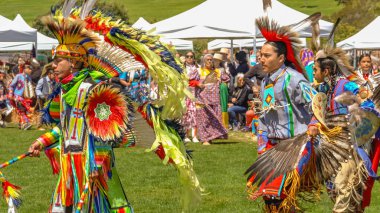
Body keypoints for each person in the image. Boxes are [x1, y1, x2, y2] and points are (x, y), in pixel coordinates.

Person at [26, 2, 201, 212]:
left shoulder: (95, 90)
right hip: (69, 169)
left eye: (58, 60)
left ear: (74, 62)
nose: (52, 65)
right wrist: (41, 141)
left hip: (94, 169)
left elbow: (105, 133)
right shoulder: (63, 91)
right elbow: (66, 129)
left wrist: (97, 164)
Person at [245, 16, 317, 212]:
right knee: (270, 199)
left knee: (280, 196)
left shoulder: (294, 79)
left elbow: (317, 103)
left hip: (296, 144)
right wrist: (262, 145)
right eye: (261, 55)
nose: (261, 59)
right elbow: (265, 116)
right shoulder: (266, 80)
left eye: (267, 55)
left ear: (281, 58)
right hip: (273, 146)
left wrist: (314, 124)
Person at [308, 47, 380, 212]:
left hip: (350, 144)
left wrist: (356, 121)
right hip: (332, 144)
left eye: (315, 69)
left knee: (343, 184)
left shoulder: (346, 85)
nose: (313, 72)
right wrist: (314, 123)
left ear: (326, 71)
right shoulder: (327, 89)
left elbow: (367, 103)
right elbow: (320, 112)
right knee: (333, 186)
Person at [196, 54, 228, 145]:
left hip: (214, 100)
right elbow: (189, 80)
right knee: (203, 119)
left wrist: (221, 84)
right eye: (207, 59)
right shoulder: (199, 71)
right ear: (203, 61)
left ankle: (210, 137)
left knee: (213, 118)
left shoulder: (218, 71)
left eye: (211, 60)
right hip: (202, 99)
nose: (209, 61)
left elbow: (226, 79)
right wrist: (198, 84)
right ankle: (205, 139)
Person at [8, 64, 35, 130]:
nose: (30, 70)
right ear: (24, 69)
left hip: (26, 98)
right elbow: (11, 85)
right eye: (29, 69)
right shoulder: (18, 76)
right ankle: (25, 123)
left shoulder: (28, 78)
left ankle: (21, 124)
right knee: (21, 110)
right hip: (18, 96)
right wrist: (11, 95)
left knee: (25, 110)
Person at [182, 51, 200, 143]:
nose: (189, 58)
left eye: (191, 56)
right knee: (186, 114)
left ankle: (194, 136)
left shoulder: (198, 68)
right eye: (187, 56)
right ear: (185, 58)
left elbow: (200, 80)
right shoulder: (182, 68)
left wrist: (196, 83)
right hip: (185, 94)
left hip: (195, 94)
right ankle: (186, 135)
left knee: (195, 114)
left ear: (194, 58)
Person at [213, 52, 231, 129]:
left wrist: (221, 81)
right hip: (212, 89)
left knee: (222, 105)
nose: (215, 62)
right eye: (214, 60)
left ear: (220, 61)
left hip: (221, 88)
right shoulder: (211, 69)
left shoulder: (222, 69)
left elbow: (227, 79)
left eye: (217, 60)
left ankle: (223, 123)